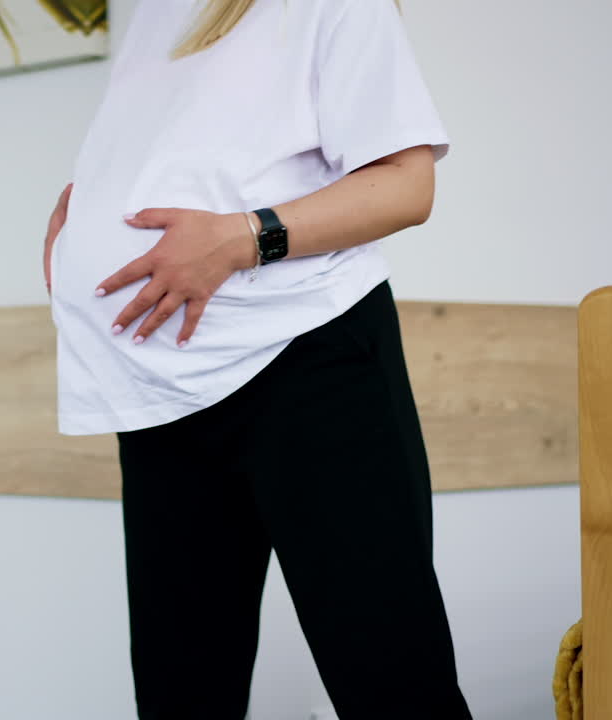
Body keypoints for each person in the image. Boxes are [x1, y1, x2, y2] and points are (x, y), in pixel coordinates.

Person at [43, 0, 471, 717]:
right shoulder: (151, 11)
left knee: (394, 687)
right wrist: (82, 209)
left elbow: (407, 181)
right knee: (182, 696)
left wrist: (246, 236)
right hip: (162, 387)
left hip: (308, 361)